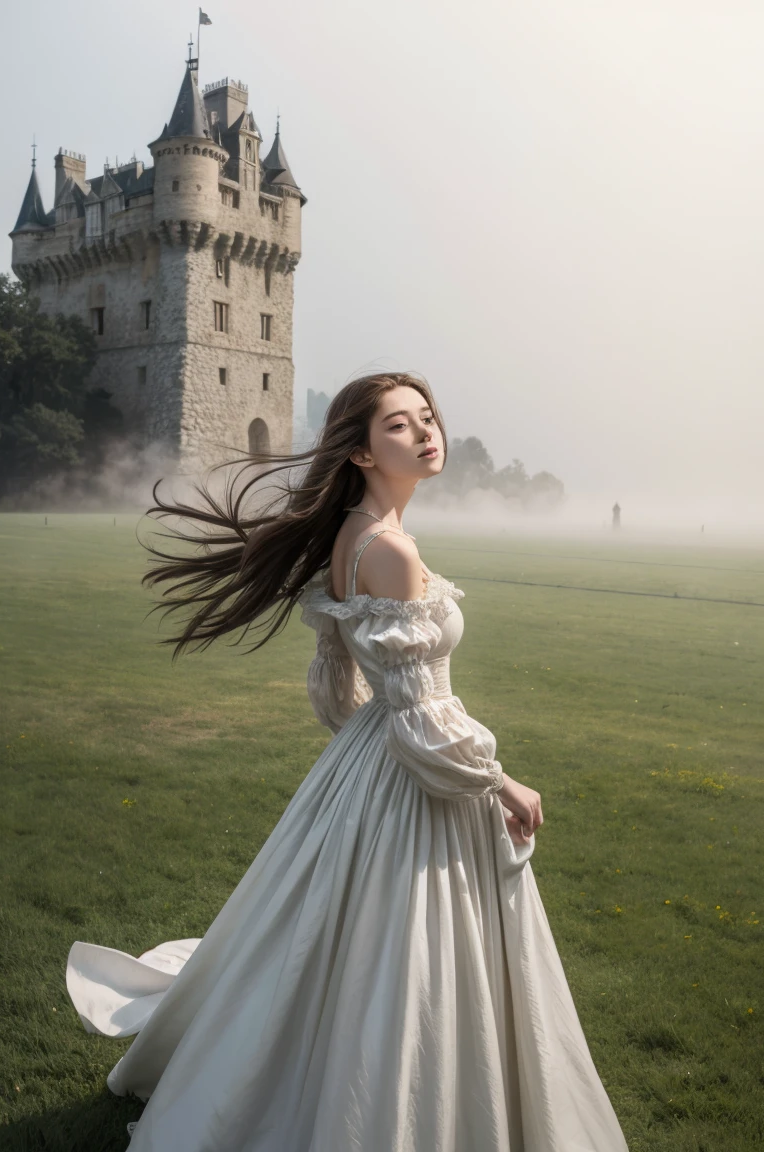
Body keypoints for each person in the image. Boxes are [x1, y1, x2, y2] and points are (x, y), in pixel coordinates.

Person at [65, 372, 629, 1150]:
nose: (426, 433)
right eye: (400, 425)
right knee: (403, 961)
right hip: (407, 762)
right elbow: (422, 714)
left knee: (336, 943)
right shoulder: (387, 549)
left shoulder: (354, 538)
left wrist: (364, 750)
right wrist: (501, 781)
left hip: (375, 758)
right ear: (361, 453)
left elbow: (339, 686)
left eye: (427, 417)